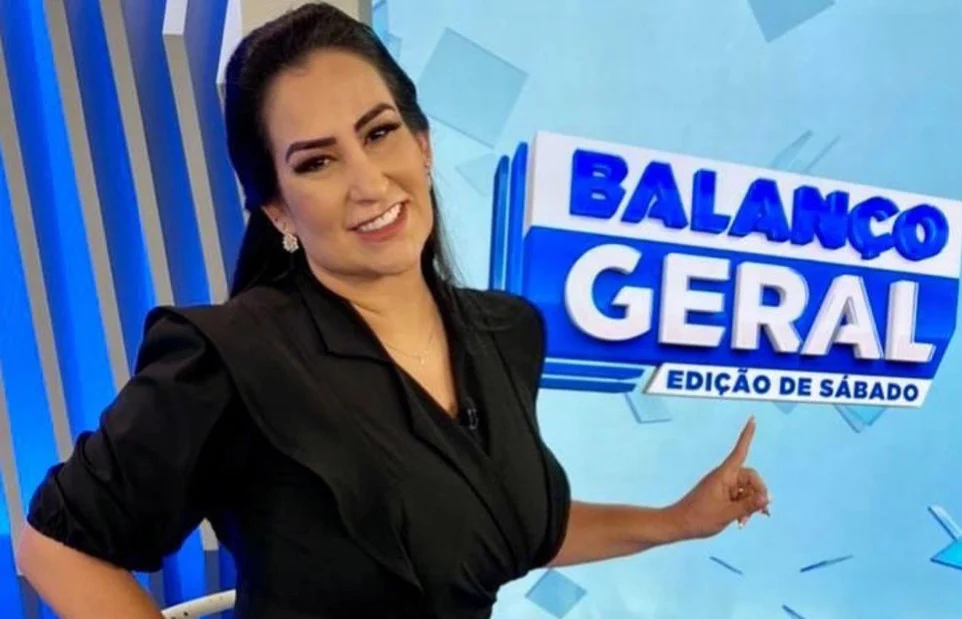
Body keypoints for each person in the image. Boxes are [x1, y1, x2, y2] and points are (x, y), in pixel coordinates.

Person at [14, 4, 771, 618]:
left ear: (423, 143)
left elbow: (493, 525)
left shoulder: (508, 332)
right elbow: (53, 544)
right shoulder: (229, 357)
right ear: (278, 207)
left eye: (379, 134)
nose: (369, 183)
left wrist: (675, 519)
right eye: (317, 161)